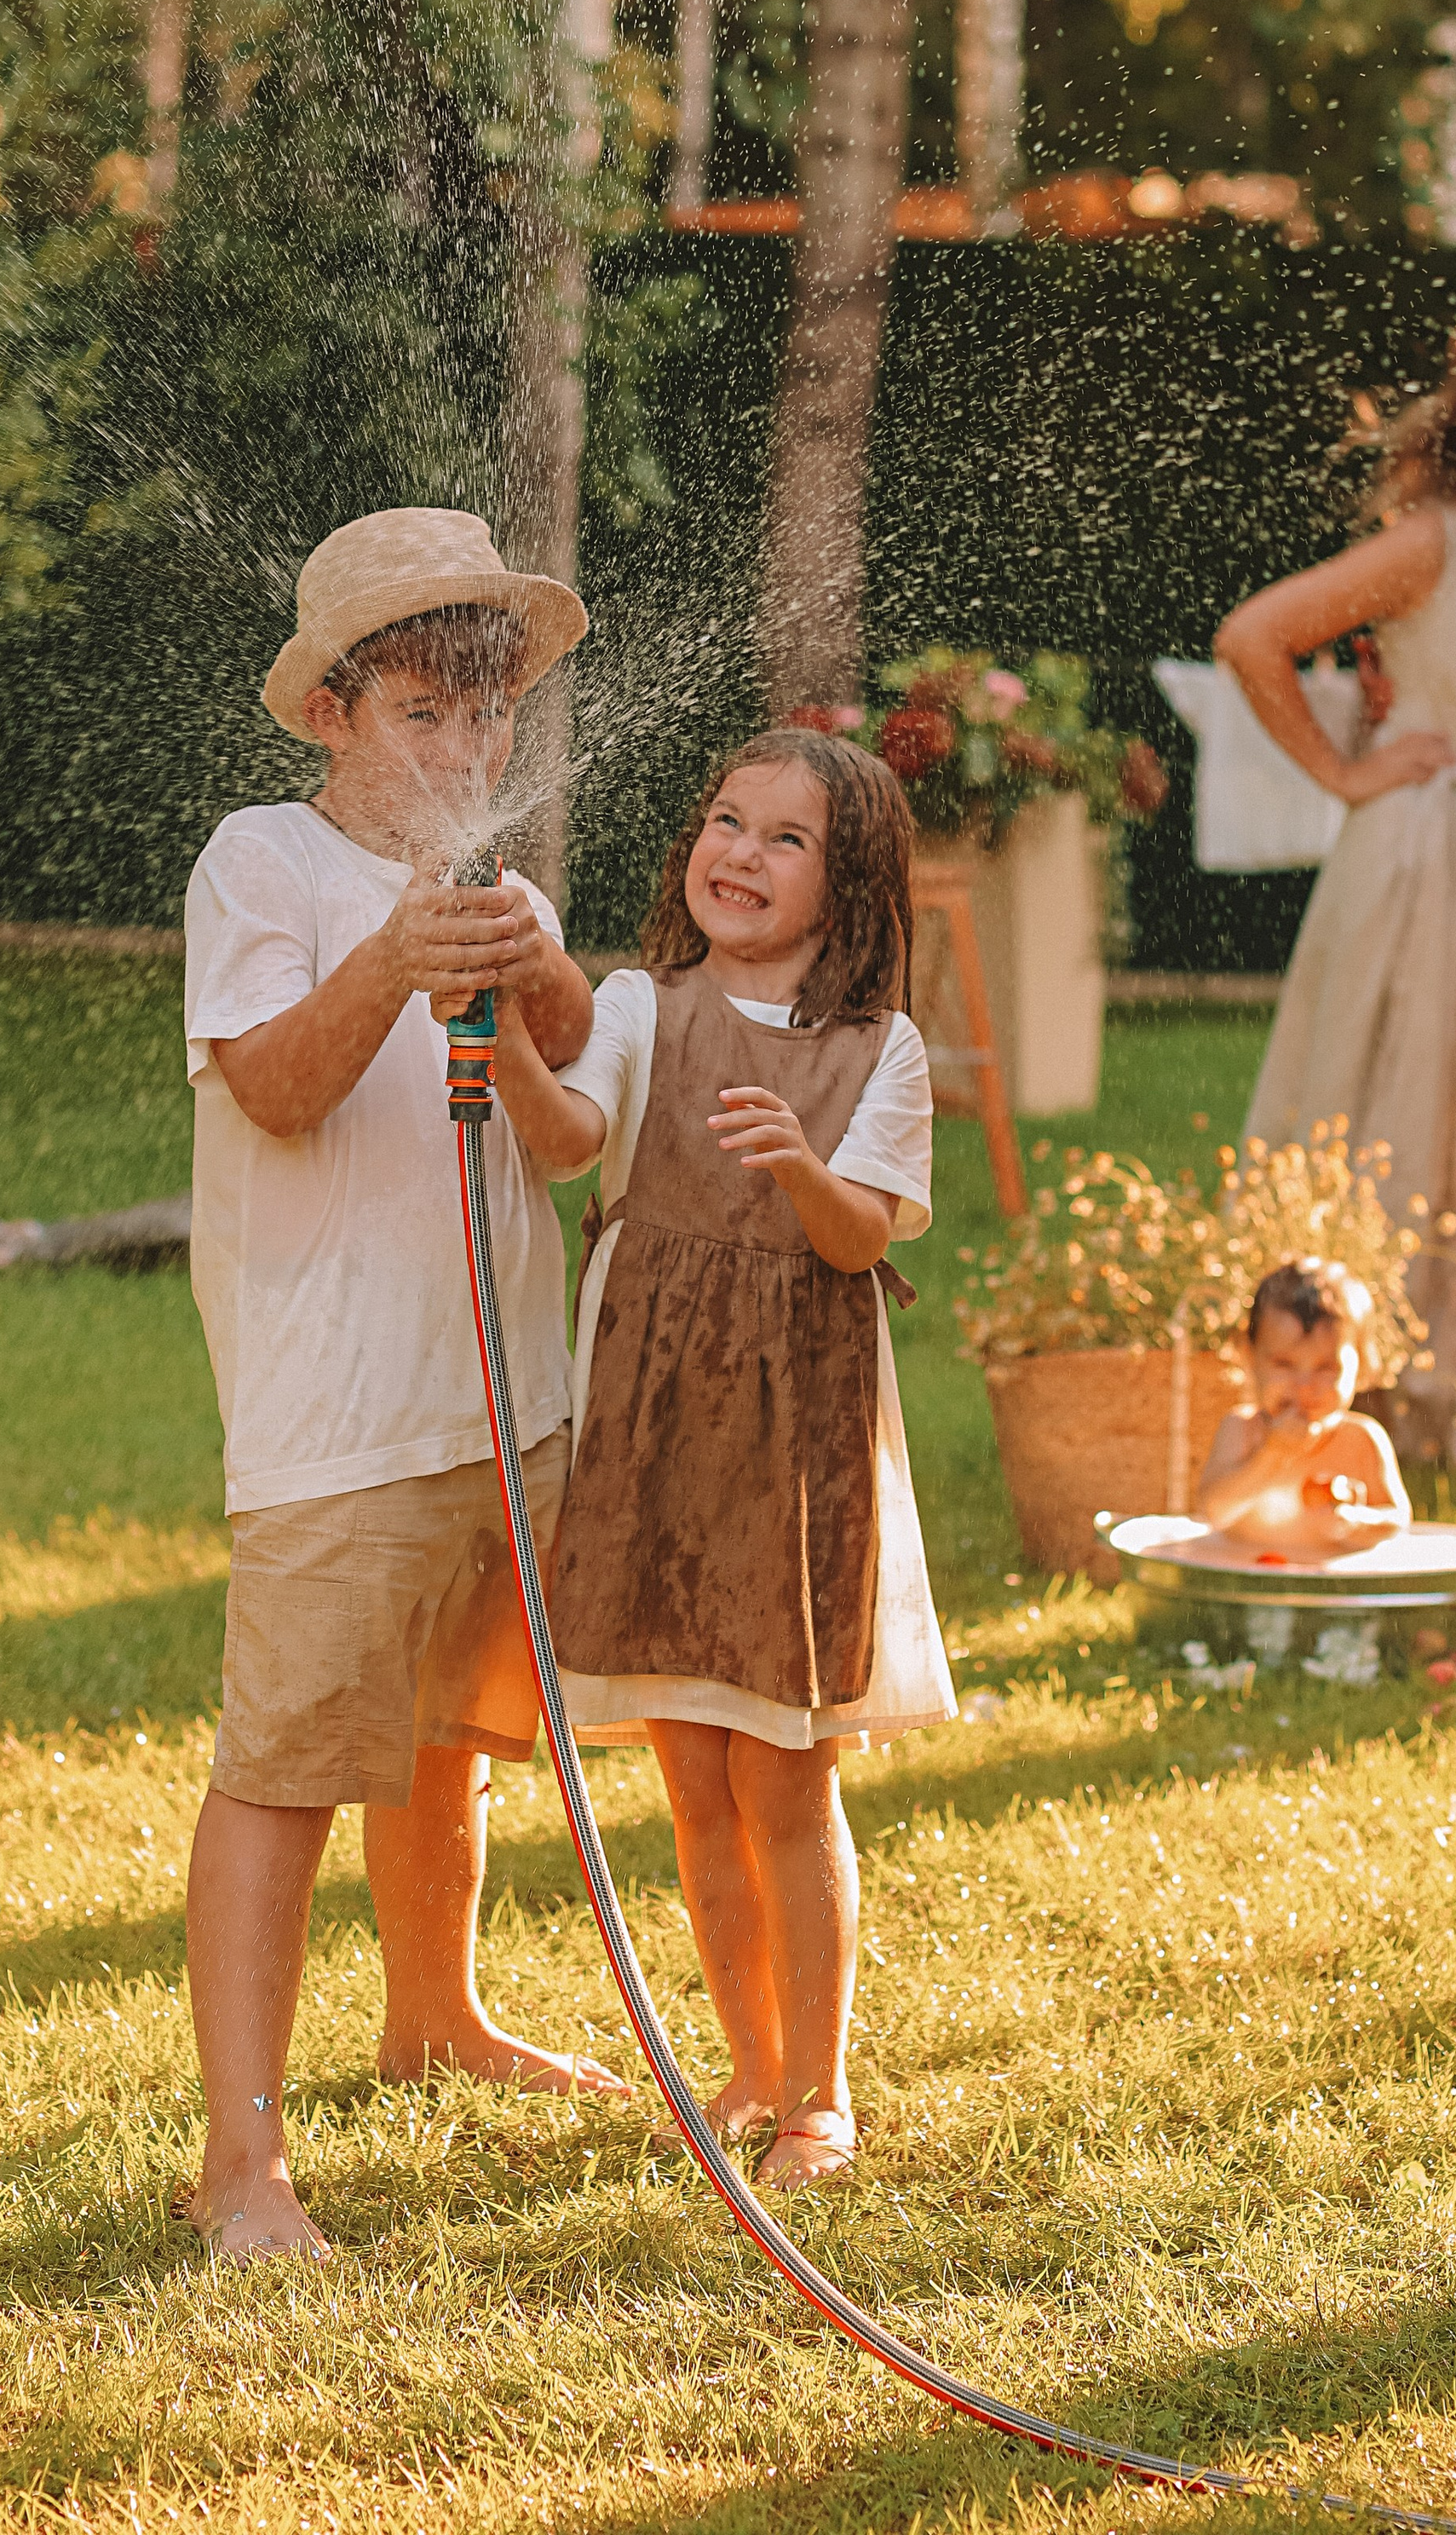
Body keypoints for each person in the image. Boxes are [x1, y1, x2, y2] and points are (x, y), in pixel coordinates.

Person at [178, 507, 627, 2262]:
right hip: (337, 1409)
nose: (462, 747)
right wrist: (395, 962)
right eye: (424, 713)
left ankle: (434, 2016)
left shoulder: (492, 879)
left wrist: (525, 958)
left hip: (502, 1396)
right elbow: (277, 1088)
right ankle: (242, 2163)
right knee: (287, 1769)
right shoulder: (259, 866)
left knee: (450, 1743)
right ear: (333, 712)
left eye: (487, 715)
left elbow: (576, 1069)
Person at [488, 729, 954, 2193]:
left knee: (786, 1777)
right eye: (725, 823)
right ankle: (746, 2064)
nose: (738, 855)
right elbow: (569, 1141)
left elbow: (864, 1237)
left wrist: (802, 1168)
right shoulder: (640, 1004)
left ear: (852, 882)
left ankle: (821, 2090)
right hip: (651, 1429)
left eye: (786, 839)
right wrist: (497, 1026)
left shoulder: (884, 1051)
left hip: (794, 1450)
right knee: (693, 1776)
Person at [1215, 303, 1456, 1462]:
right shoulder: (1437, 542)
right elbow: (1255, 634)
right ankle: (1389, 1389)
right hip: (1428, 861)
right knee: (1408, 1128)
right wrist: (1347, 770)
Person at [1196, 1259, 1412, 1549]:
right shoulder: (1242, 1430)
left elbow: (1398, 1519)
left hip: (1331, 1589)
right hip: (1251, 1582)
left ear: (1361, 1365)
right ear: (1249, 1359)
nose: (1304, 1385)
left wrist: (1354, 1521)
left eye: (1325, 1368)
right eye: (1284, 1364)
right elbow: (1215, 1512)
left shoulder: (1362, 1439)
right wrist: (1271, 1454)